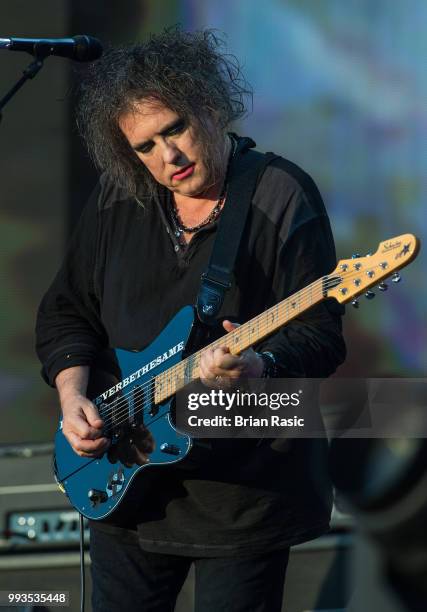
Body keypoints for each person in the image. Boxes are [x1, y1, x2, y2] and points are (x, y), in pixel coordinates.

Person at [36, 28, 346, 612]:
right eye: (145, 146)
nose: (167, 158)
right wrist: (72, 394)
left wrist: (260, 365)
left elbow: (321, 338)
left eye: (174, 129)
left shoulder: (280, 193)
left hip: (241, 497)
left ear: (208, 104)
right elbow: (66, 310)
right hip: (125, 488)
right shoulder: (117, 197)